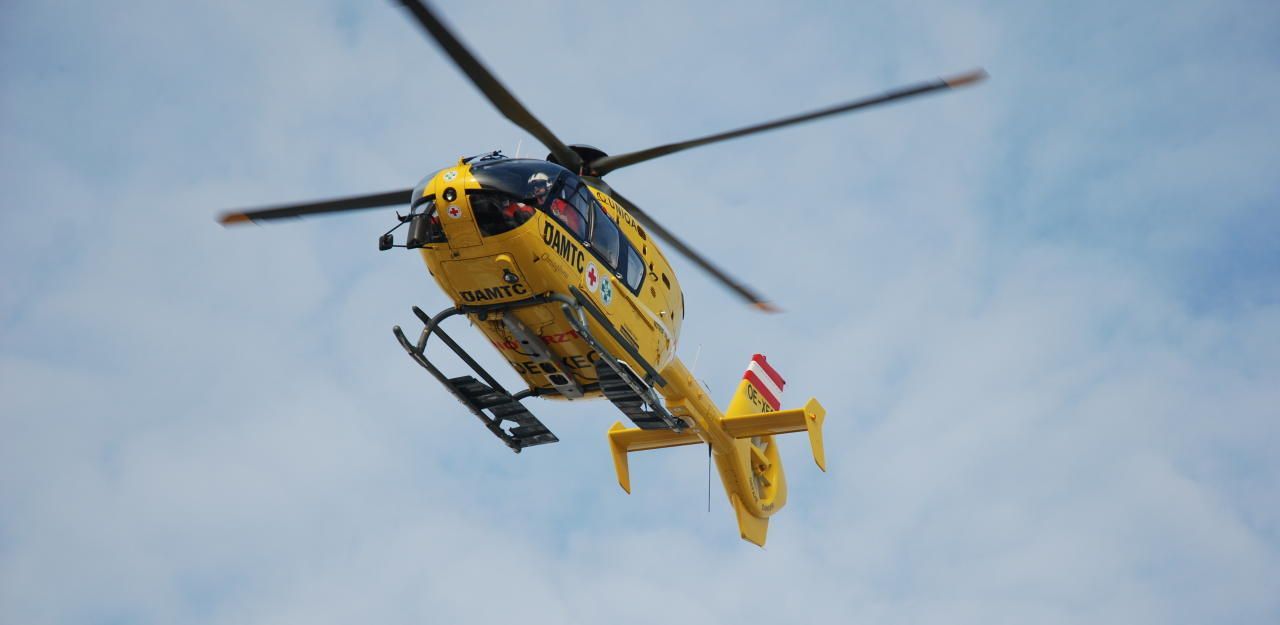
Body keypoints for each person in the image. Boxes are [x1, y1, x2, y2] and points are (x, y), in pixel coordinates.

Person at [529, 172, 584, 236]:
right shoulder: (530, 205)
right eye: (532, 186)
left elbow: (576, 230)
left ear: (548, 184)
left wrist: (566, 220)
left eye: (539, 184)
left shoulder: (560, 204)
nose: (535, 188)